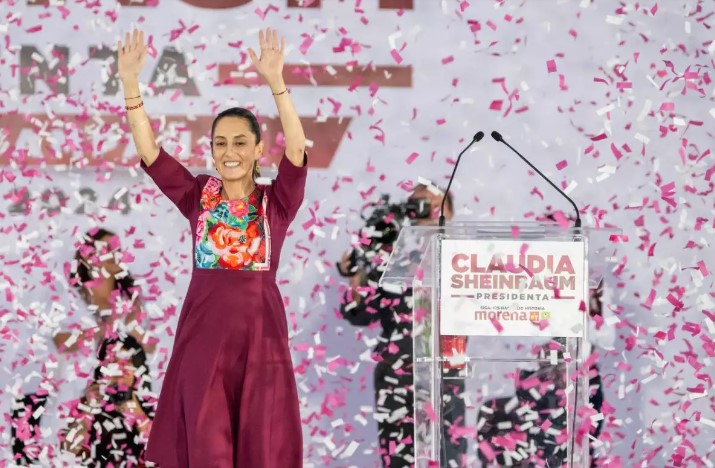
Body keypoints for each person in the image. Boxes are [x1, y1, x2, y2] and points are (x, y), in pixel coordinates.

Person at [117, 27, 307, 467]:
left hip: (260, 342)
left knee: (258, 447)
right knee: (206, 449)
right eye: (221, 143)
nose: (230, 151)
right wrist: (130, 84)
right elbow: (151, 152)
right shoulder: (197, 195)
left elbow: (296, 149)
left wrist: (276, 83)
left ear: (259, 148)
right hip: (204, 342)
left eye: (240, 142)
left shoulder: (275, 203)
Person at [338, 183, 467, 467]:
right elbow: (358, 312)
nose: (425, 214)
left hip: (446, 374)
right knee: (398, 459)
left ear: (449, 212)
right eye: (417, 207)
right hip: (395, 374)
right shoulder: (394, 262)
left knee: (448, 457)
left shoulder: (468, 262)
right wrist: (357, 271)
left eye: (433, 205)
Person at [60, 334, 155, 466]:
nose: (118, 370)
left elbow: (164, 455)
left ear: (137, 370)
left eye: (125, 363)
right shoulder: (86, 403)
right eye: (112, 363)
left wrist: (138, 414)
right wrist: (89, 410)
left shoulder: (153, 406)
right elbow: (67, 451)